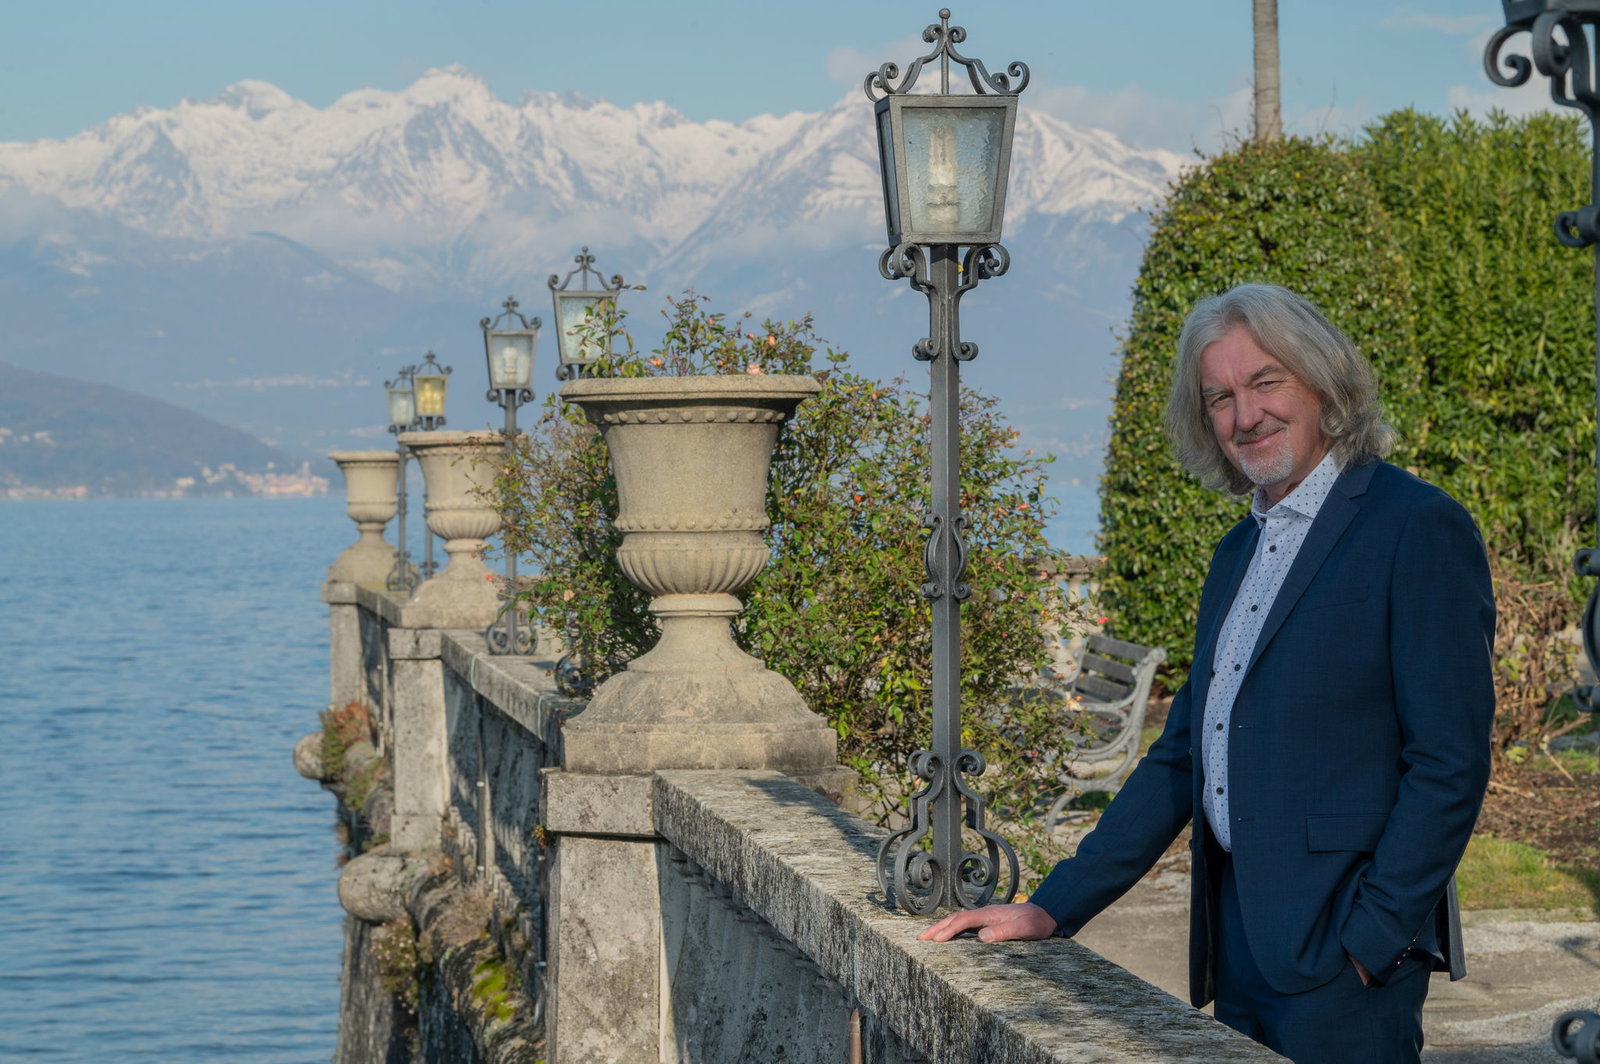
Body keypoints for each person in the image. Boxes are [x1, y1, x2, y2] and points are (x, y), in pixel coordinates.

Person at [920, 284, 1495, 1064]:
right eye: (1219, 397)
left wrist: (1372, 940)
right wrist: (1053, 908)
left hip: (1346, 960)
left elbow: (1450, 763)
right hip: (1238, 949)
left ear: (1323, 383)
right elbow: (1185, 752)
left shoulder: (1416, 526)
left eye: (1265, 382)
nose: (1244, 415)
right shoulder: (1238, 552)